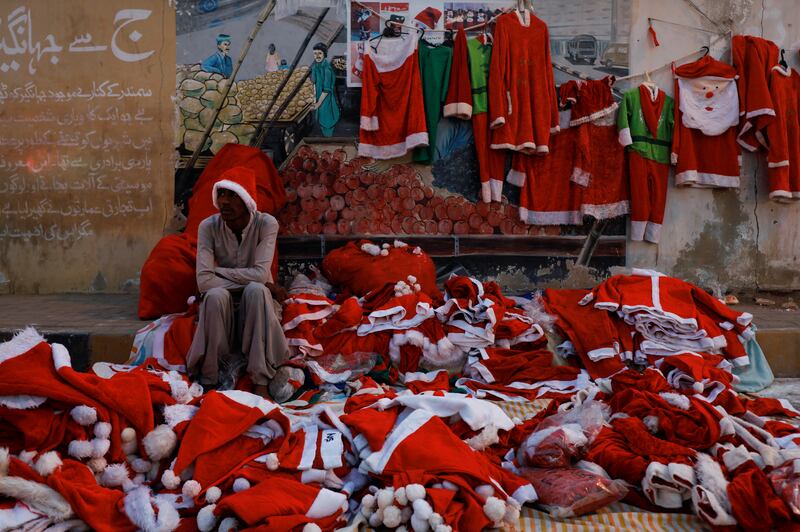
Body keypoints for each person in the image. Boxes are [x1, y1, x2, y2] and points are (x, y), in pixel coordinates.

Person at [186, 166, 289, 398]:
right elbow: (204, 282)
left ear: (247, 200)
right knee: (214, 295)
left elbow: (261, 275)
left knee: (256, 291)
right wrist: (254, 280)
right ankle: (211, 377)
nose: (224, 202)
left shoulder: (266, 224)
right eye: (221, 195)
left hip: (258, 306)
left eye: (232, 196)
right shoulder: (208, 227)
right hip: (223, 306)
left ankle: (260, 378)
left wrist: (219, 272)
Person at [310, 42, 340, 137]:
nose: (317, 56)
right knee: (321, 124)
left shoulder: (327, 70)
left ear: (324, 54)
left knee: (327, 125)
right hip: (318, 99)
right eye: (315, 53)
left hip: (326, 101)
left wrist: (318, 104)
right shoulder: (315, 67)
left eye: (320, 53)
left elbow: (326, 90)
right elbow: (313, 83)